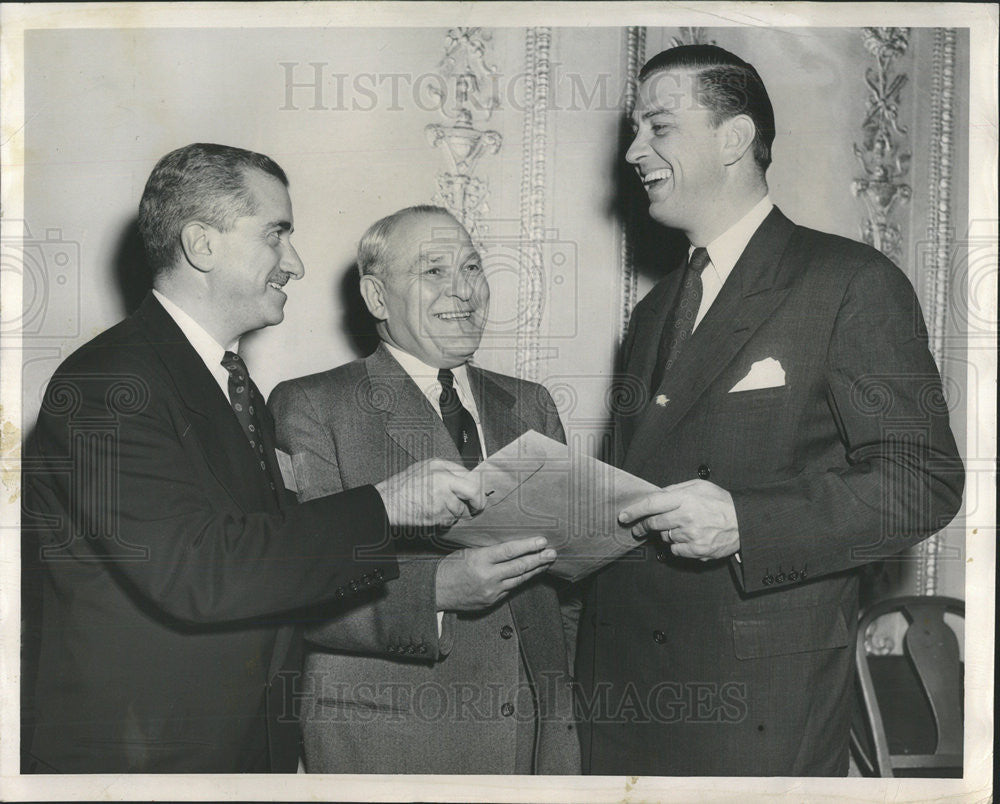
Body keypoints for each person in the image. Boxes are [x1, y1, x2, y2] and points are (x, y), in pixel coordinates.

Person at [21, 145, 483, 774]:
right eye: (276, 235)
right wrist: (385, 505)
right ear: (202, 245)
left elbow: (270, 560)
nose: (293, 263)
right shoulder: (107, 383)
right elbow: (198, 572)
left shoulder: (230, 387)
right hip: (141, 764)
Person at [574, 46, 965, 776]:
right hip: (623, 692)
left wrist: (746, 522)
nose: (633, 151)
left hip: (751, 701)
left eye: (658, 127)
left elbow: (923, 482)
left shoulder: (851, 283)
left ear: (733, 139)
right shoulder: (657, 309)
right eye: (635, 130)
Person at [269, 205, 581, 774]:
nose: (463, 290)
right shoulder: (312, 404)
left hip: (535, 737)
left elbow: (570, 582)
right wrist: (433, 591)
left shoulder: (531, 402)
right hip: (391, 736)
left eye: (472, 267)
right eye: (433, 272)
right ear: (377, 297)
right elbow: (293, 584)